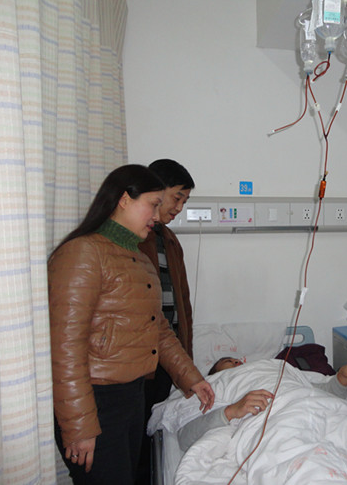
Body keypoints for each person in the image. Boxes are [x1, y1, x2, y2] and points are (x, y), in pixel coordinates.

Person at [48, 164, 215, 485]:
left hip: (131, 396)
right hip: (96, 400)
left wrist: (191, 378)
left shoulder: (138, 259)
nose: (157, 214)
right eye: (153, 204)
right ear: (124, 199)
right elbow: (65, 349)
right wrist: (79, 427)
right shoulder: (82, 253)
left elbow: (159, 329)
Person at [137, 159, 195, 482]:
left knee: (154, 433)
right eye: (177, 197)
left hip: (167, 357)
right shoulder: (133, 240)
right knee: (135, 439)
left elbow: (183, 305)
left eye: (185, 201)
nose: (179, 208)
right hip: (139, 360)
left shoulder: (170, 241)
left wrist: (186, 358)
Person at [176, 358, 347, 451]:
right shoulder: (215, 384)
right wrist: (231, 411)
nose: (235, 362)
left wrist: (341, 378)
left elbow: (327, 393)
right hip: (277, 420)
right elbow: (185, 437)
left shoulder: (275, 366)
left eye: (237, 360)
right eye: (227, 362)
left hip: (316, 406)